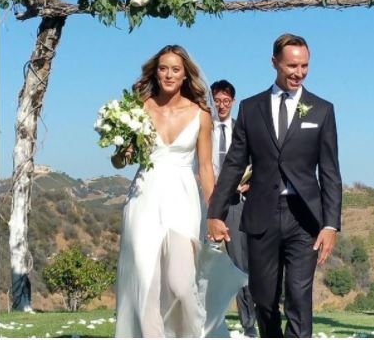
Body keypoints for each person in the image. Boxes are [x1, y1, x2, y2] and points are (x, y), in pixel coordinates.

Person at [207, 34, 342, 337]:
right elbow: (234, 164)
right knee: (264, 299)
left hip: (304, 218)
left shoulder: (322, 110)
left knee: (298, 297)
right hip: (261, 216)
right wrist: (215, 212)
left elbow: (331, 172)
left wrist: (331, 224)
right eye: (292, 65)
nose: (299, 72)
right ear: (274, 63)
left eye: (305, 66)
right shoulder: (251, 108)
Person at [112, 45, 245, 338]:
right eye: (163, 68)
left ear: (186, 74)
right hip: (144, 198)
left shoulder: (201, 115)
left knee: (181, 285)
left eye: (175, 69)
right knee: (145, 284)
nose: (168, 74)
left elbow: (206, 170)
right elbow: (119, 161)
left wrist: (215, 214)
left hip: (182, 200)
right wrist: (124, 149)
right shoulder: (138, 108)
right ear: (155, 72)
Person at [211, 80, 257, 338]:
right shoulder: (205, 129)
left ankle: (249, 325)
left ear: (233, 101)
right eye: (217, 100)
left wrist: (248, 185)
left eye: (226, 101)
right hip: (206, 201)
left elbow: (258, 162)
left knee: (240, 266)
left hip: (236, 204)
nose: (221, 105)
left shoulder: (243, 129)